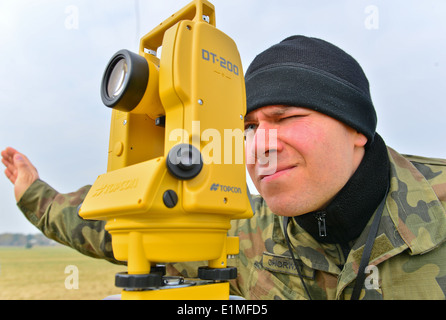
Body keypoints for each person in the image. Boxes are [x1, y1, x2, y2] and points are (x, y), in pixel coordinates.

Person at [3, 35, 446, 300]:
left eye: (287, 118)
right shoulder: (239, 233)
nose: (261, 147)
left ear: (357, 130)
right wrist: (32, 192)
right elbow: (114, 227)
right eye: (249, 128)